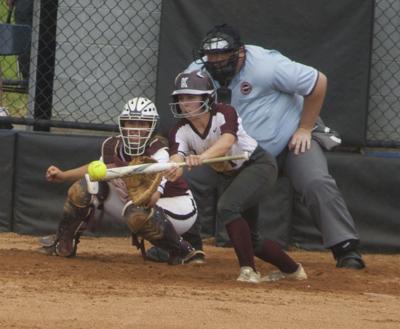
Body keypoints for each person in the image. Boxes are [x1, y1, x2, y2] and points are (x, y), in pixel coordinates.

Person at [185, 23, 365, 270]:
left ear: (239, 52)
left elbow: (318, 82)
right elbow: (187, 107)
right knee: (188, 176)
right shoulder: (198, 73)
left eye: (221, 55)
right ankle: (182, 245)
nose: (214, 61)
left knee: (315, 181)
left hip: (290, 140)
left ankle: (346, 249)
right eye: (210, 55)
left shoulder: (266, 66)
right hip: (238, 155)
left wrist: (305, 127)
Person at [163, 70, 307, 283]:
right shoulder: (180, 129)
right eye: (182, 98)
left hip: (257, 165)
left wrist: (201, 157)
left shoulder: (224, 112)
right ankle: (293, 270)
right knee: (252, 240)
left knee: (227, 207)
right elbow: (178, 156)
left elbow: (227, 141)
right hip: (231, 175)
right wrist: (174, 167)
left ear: (206, 97)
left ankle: (248, 271)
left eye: (191, 97)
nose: (185, 103)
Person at [39, 97, 204, 265]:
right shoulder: (113, 146)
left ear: (151, 126)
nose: (135, 130)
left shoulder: (159, 152)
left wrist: (141, 192)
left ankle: (182, 251)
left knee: (137, 210)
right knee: (82, 187)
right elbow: (97, 169)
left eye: (142, 125)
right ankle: (64, 241)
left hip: (178, 207)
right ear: (123, 124)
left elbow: (153, 198)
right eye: (131, 123)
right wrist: (63, 175)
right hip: (133, 205)